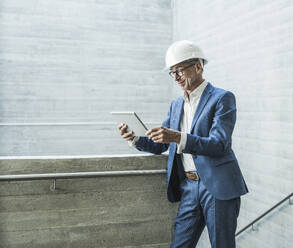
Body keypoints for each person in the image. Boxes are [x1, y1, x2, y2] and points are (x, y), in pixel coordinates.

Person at [118, 40, 248, 248]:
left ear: (198, 66)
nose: (176, 77)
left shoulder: (222, 98)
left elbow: (219, 144)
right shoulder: (176, 104)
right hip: (189, 186)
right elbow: (161, 144)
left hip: (217, 187)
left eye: (179, 70)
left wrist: (178, 137)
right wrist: (134, 139)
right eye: (172, 72)